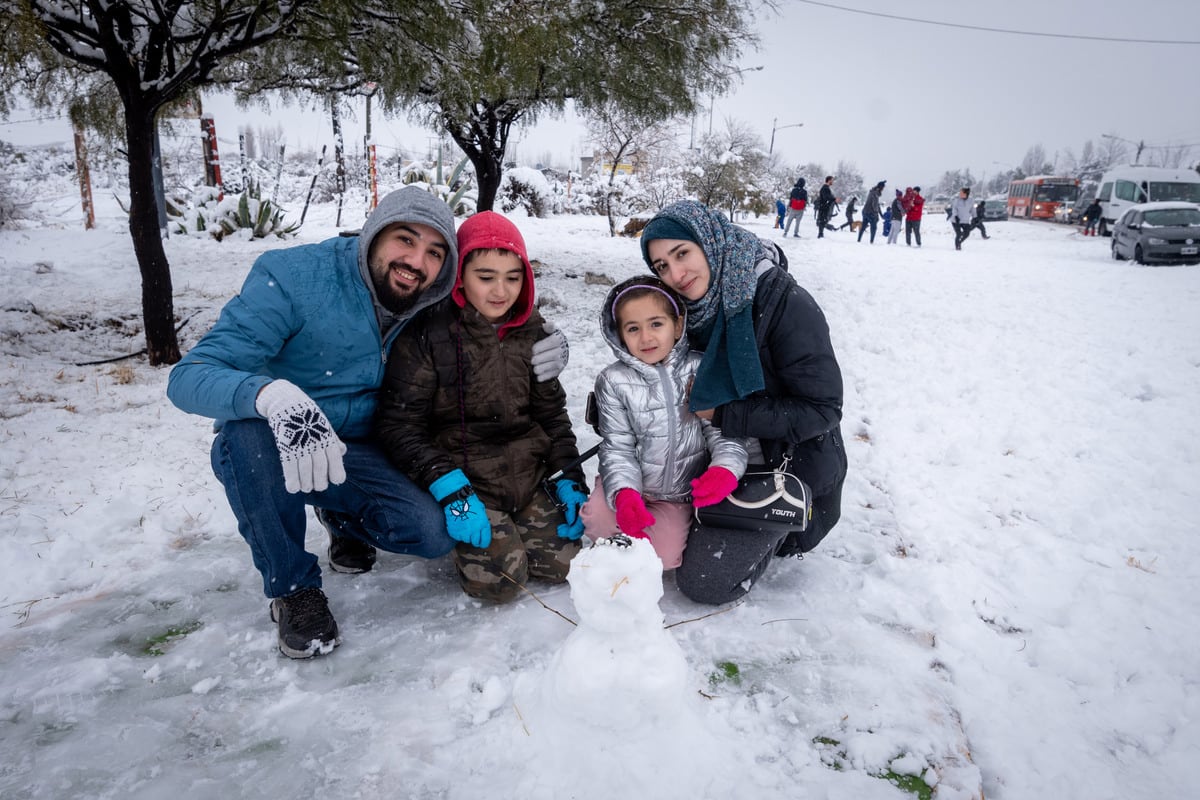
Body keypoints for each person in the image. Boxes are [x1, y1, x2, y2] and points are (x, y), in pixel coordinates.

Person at [166, 187, 571, 658]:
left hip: (367, 447)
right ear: (374, 233)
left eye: (435, 252)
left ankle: (343, 518)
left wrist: (543, 336)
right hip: (281, 440)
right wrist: (269, 395)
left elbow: (491, 309)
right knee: (244, 438)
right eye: (405, 240)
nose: (417, 261)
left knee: (431, 533)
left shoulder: (429, 295)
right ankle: (293, 588)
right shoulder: (292, 278)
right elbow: (188, 376)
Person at [641, 200, 847, 605]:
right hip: (711, 457)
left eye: (681, 253)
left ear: (710, 241)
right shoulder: (685, 311)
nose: (675, 274)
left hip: (780, 466)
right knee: (651, 544)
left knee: (702, 582)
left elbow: (823, 409)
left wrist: (726, 414)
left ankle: (776, 535)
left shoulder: (784, 304)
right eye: (661, 266)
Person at [374, 211, 586, 604]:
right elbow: (399, 425)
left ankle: (520, 524)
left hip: (527, 476)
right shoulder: (428, 334)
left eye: (513, 277)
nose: (500, 291)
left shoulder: (535, 333)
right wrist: (449, 486)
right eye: (485, 277)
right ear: (460, 275)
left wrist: (568, 475)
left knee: (565, 567)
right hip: (468, 485)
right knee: (502, 585)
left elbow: (551, 415)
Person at [580, 276, 749, 569]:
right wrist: (624, 493)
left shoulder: (700, 368)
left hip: (677, 493)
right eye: (633, 328)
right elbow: (617, 445)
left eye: (656, 324)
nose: (646, 338)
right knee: (596, 522)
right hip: (630, 487)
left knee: (665, 558)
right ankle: (614, 551)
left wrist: (725, 469)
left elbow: (722, 431)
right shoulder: (613, 380)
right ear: (619, 334)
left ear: (678, 326)